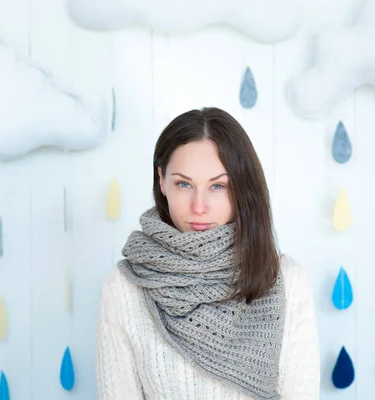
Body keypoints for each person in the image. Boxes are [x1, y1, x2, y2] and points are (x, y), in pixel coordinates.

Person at [95, 107, 320, 399]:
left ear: (241, 188)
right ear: (162, 181)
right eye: (184, 184)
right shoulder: (124, 288)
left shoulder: (286, 281)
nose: (199, 206)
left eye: (218, 185)